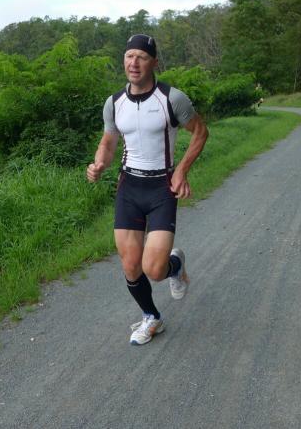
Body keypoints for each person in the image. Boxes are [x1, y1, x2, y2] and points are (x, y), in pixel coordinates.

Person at [86, 34, 209, 345]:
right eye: (129, 56)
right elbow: (108, 142)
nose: (134, 63)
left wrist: (181, 170)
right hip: (129, 186)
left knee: (153, 270)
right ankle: (151, 317)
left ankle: (175, 266)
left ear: (154, 62)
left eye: (141, 57)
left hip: (161, 188)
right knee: (130, 264)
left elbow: (200, 132)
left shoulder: (171, 99)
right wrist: (99, 163)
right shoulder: (114, 103)